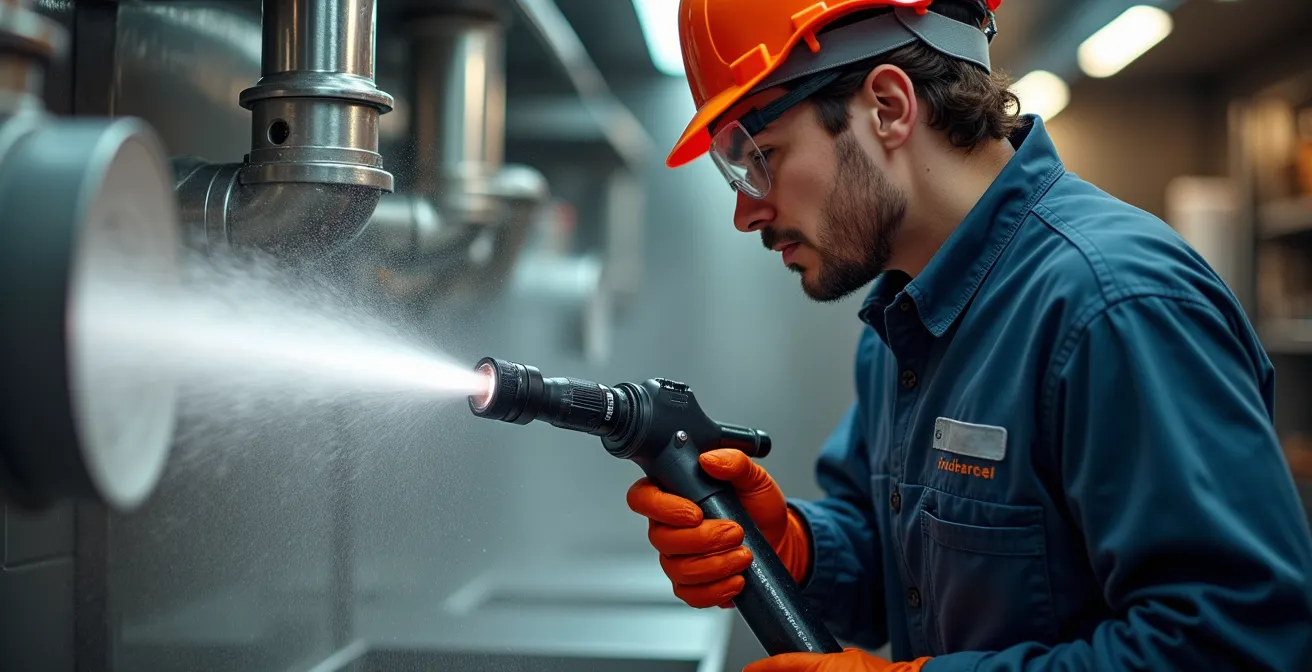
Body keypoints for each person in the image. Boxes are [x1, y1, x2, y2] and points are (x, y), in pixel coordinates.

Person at [624, 1, 1312, 670]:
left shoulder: (1112, 305)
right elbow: (906, 570)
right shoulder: (904, 316)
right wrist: (796, 547)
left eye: (760, 155)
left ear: (888, 107)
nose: (746, 212)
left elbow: (1235, 643)